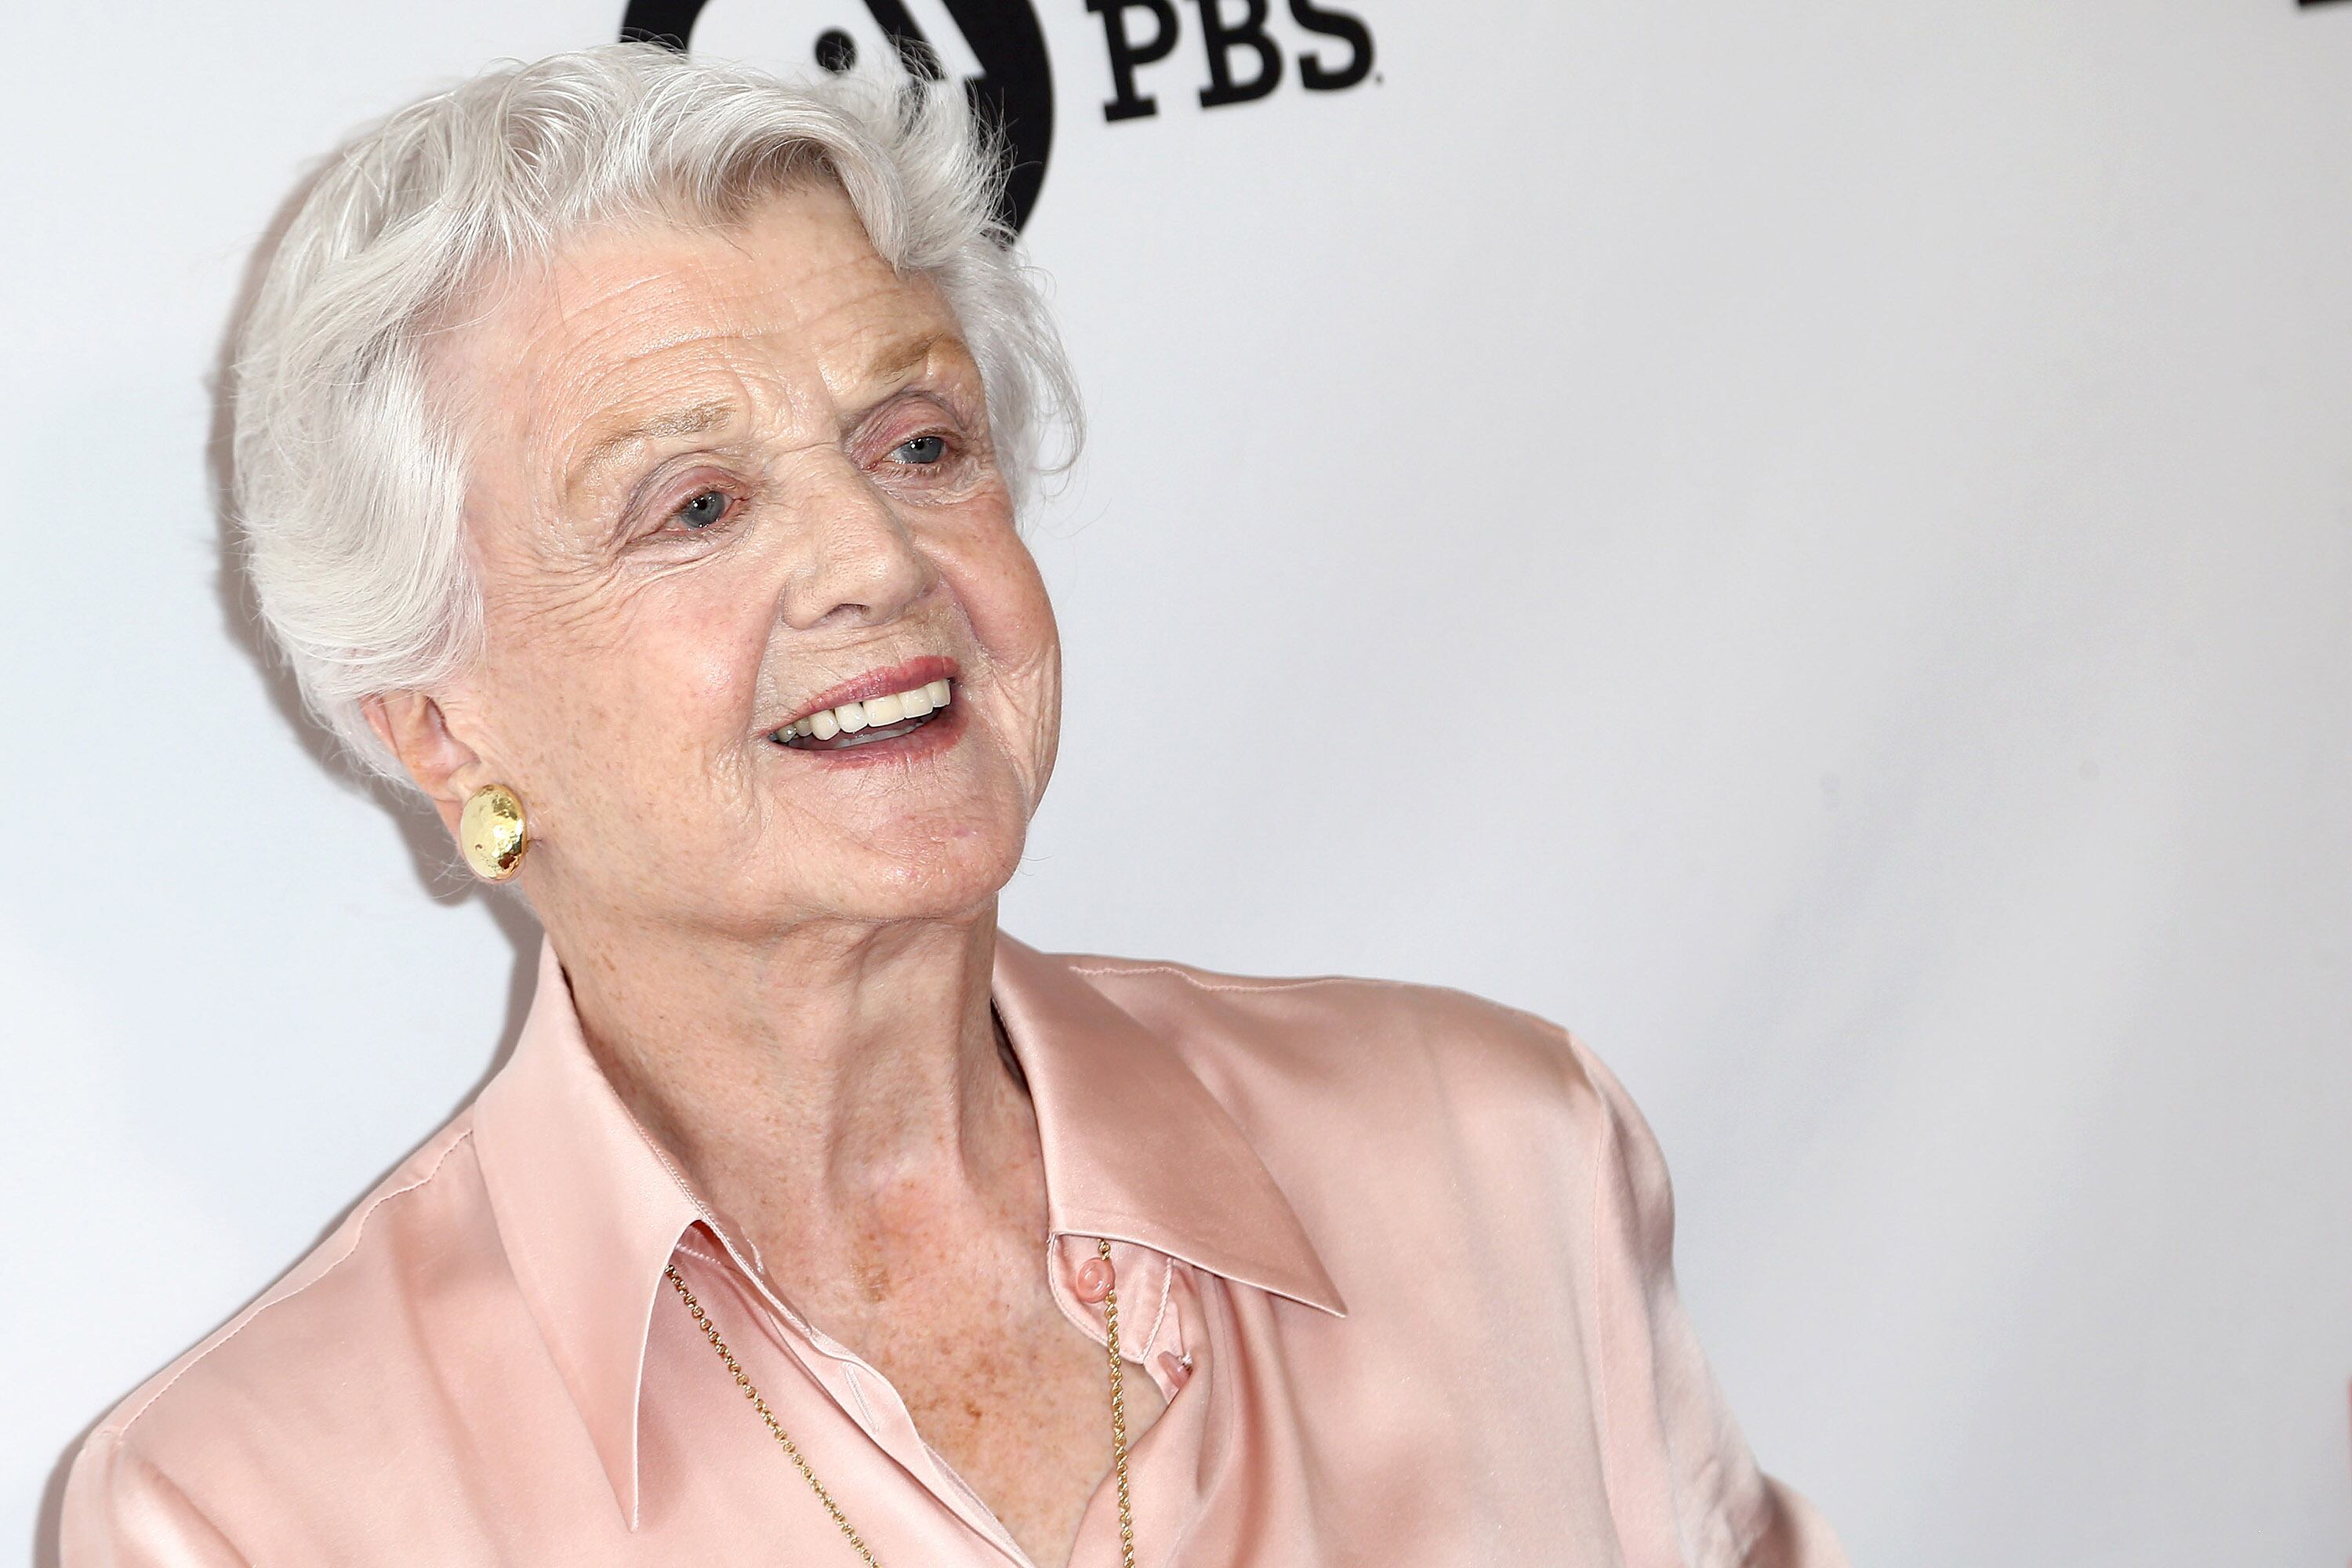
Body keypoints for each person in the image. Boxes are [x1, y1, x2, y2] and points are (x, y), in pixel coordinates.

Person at [62, 44, 1846, 1567]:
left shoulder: (1496, 1160)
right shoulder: (249, 1509)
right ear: (444, 731)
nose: (875, 558)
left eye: (919, 446)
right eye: (695, 507)